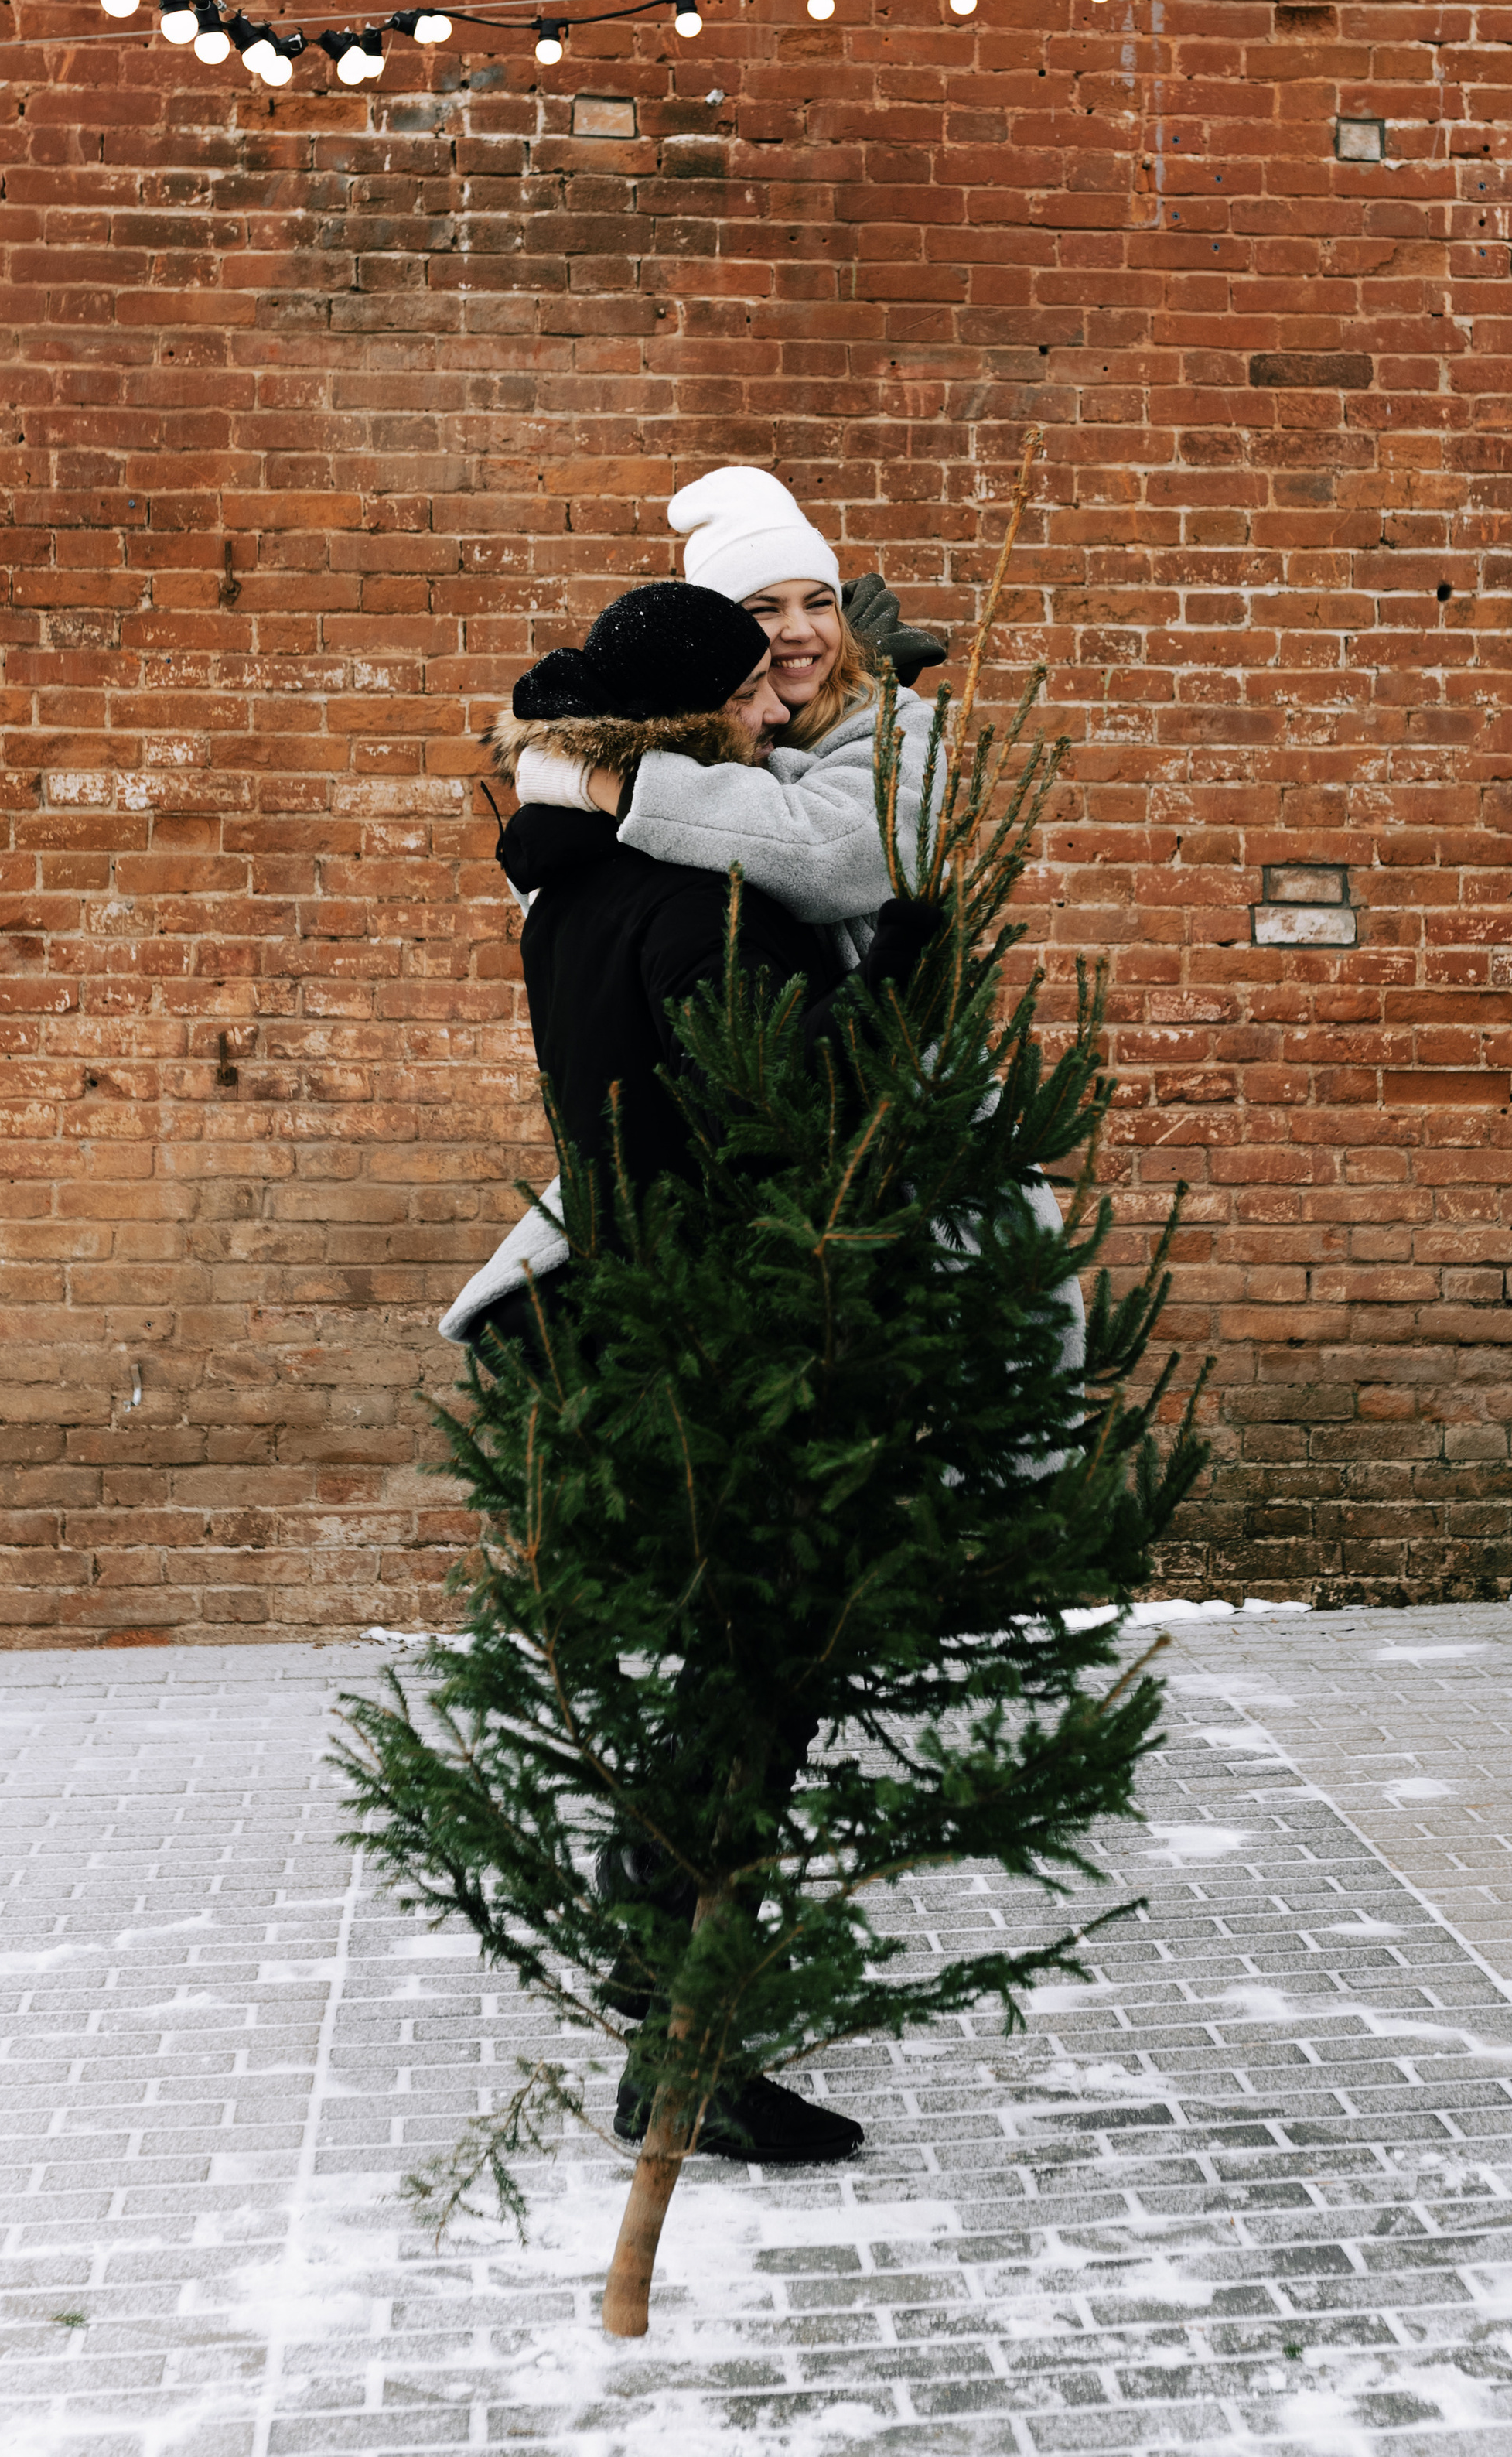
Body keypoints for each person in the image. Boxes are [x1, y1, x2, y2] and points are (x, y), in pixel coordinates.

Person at [475, 578, 940, 2168]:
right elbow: (775, 1097)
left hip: (630, 1301)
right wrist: (890, 987)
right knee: (757, 1676)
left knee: (738, 1667)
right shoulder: (709, 905)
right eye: (748, 688)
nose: (772, 708)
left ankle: (674, 2008)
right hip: (733, 1323)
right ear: (688, 716)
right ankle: (679, 2033)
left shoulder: (574, 888)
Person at [443, 466, 1081, 1366]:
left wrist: (592, 780)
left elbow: (828, 855)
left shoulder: (893, 729)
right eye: (761, 608)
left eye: (817, 601)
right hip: (746, 1089)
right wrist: (573, 780)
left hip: (880, 1075)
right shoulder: (726, 735)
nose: (796, 630)